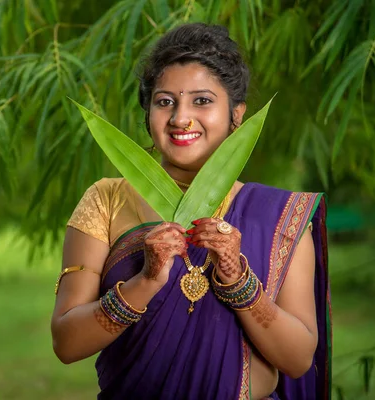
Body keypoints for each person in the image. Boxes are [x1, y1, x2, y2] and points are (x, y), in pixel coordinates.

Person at [51, 23, 330, 400]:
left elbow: (298, 360)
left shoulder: (278, 215)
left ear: (237, 114)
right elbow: (66, 344)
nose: (180, 118)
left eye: (202, 101)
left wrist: (237, 279)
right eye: (165, 101)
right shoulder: (107, 200)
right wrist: (146, 280)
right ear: (148, 111)